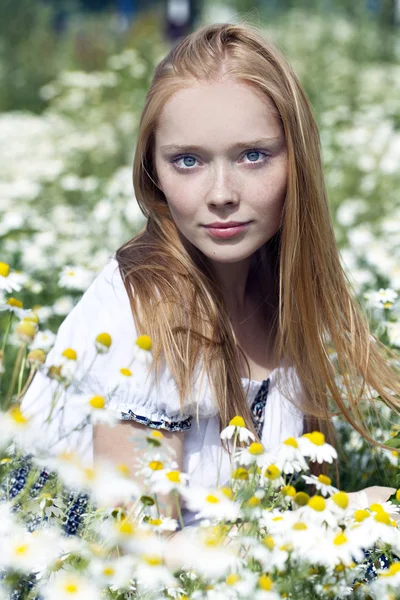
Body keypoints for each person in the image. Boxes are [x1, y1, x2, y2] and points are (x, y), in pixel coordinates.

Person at [21, 22, 400, 529]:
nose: (221, 193)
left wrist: (340, 511)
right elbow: (137, 554)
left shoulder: (282, 292)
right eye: (188, 161)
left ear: (299, 163)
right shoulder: (143, 313)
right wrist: (337, 523)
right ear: (153, 172)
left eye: (253, 155)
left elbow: (289, 502)